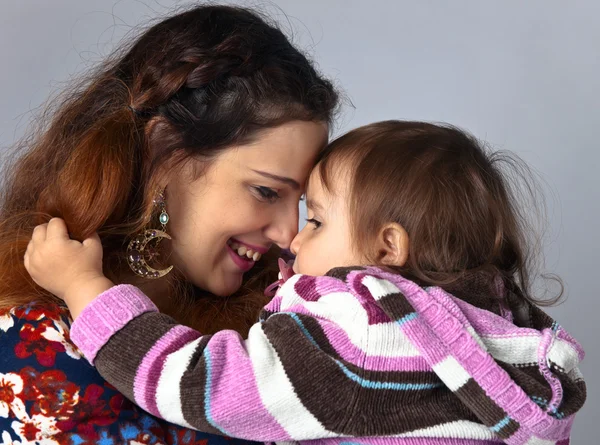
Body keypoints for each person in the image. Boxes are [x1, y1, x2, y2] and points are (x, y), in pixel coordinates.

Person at [25, 121, 586, 443]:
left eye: (314, 218)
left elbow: (200, 383)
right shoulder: (501, 335)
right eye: (270, 194)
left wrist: (82, 288)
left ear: (387, 249)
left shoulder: (362, 336)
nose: (291, 238)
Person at [0, 4, 338, 444]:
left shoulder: (288, 313)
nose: (288, 233)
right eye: (266, 192)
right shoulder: (37, 347)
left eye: (304, 205)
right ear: (164, 154)